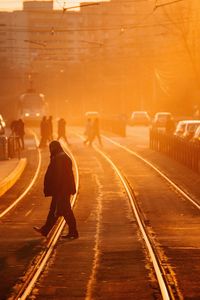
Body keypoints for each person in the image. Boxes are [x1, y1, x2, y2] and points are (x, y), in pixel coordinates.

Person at [33, 140, 78, 239]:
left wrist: (56, 189)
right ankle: (45, 230)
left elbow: (58, 176)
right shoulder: (63, 156)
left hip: (61, 190)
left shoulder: (59, 158)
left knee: (64, 211)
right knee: (55, 210)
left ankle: (73, 232)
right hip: (62, 189)